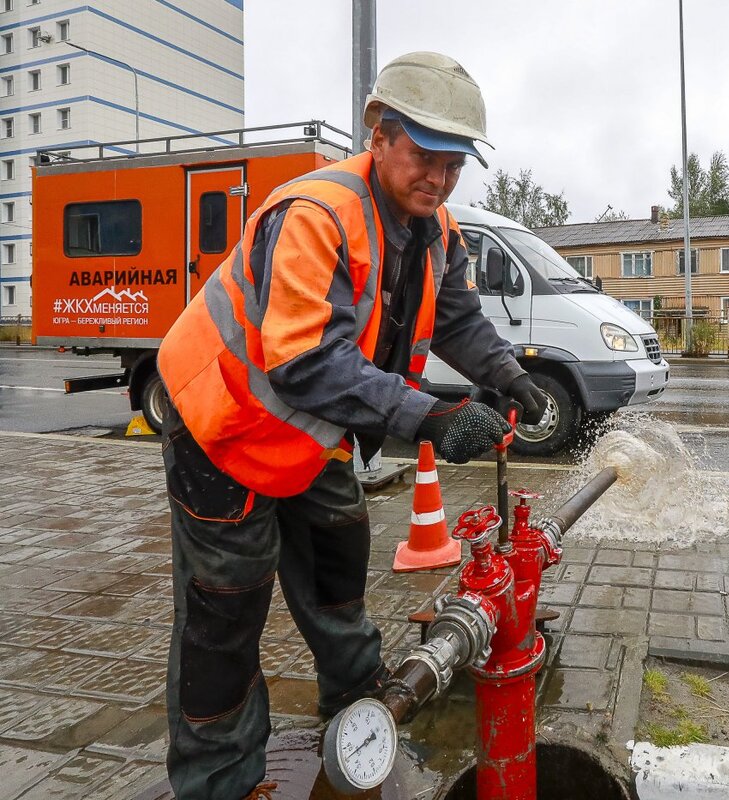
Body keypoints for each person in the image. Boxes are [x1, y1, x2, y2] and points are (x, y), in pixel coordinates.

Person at [156, 52, 547, 799]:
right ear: (378, 134)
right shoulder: (317, 213)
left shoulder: (436, 230)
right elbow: (305, 359)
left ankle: (360, 698)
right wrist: (431, 416)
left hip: (312, 430)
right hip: (224, 425)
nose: (437, 177)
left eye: (453, 164)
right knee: (227, 609)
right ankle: (220, 778)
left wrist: (507, 375)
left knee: (338, 552)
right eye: (424, 156)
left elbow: (459, 319)